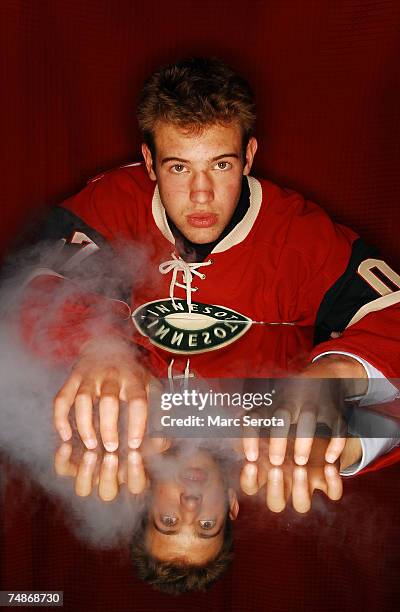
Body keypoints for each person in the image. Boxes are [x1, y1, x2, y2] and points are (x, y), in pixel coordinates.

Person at [15, 56, 400, 590]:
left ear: (248, 157)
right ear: (150, 163)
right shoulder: (276, 447)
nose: (200, 194)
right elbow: (35, 273)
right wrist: (338, 382)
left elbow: (20, 300)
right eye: (178, 167)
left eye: (219, 165)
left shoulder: (300, 236)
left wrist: (97, 347)